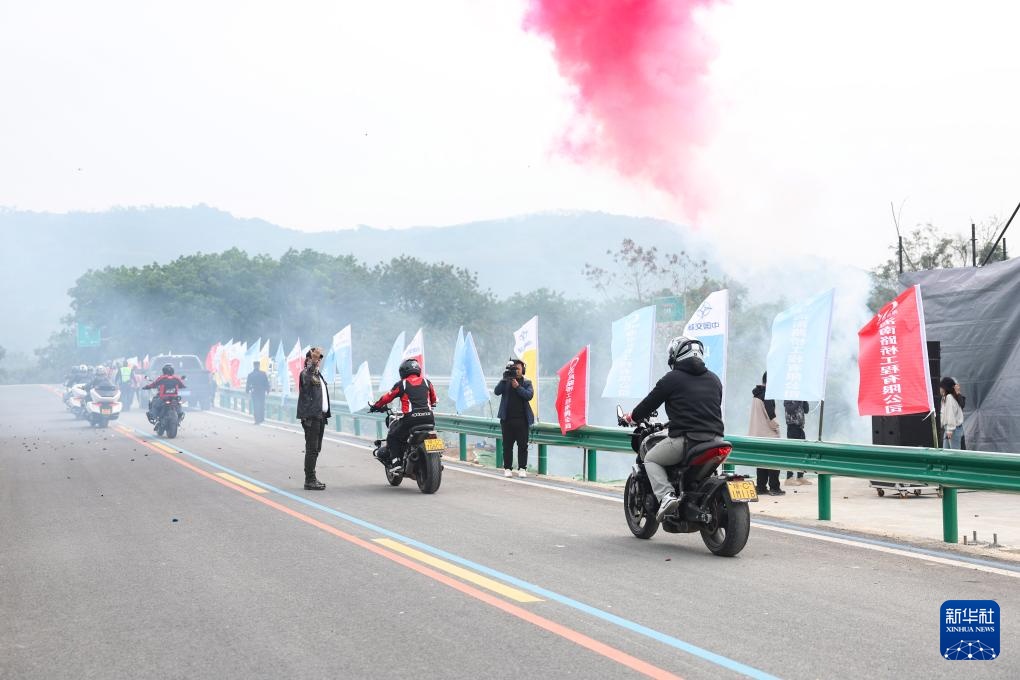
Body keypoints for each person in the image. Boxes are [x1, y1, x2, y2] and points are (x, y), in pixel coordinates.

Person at [625, 336, 725, 522]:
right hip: (716, 440)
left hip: (687, 440)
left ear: (675, 356)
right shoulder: (714, 379)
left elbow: (648, 404)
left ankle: (666, 496)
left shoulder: (672, 379)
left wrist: (632, 417)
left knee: (651, 459)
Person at [371, 358, 437, 471]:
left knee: (392, 436)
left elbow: (387, 397)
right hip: (429, 419)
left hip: (411, 420)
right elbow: (434, 400)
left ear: (403, 372)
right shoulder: (427, 382)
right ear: (418, 370)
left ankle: (396, 462)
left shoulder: (402, 384)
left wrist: (376, 406)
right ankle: (436, 456)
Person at [296, 347, 331, 490]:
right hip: (311, 417)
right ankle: (309, 480)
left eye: (319, 359)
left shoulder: (318, 375)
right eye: (316, 358)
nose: (319, 361)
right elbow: (308, 376)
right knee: (311, 449)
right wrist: (313, 363)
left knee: (316, 449)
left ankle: (312, 478)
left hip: (320, 416)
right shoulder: (306, 373)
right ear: (309, 360)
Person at [494, 359, 535, 478]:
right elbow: (497, 392)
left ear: (523, 370)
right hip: (507, 420)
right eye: (514, 368)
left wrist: (518, 387)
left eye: (518, 368)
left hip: (522, 420)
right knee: (507, 445)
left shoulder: (527, 382)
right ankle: (507, 468)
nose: (516, 371)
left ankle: (522, 468)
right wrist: (504, 379)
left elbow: (529, 395)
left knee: (523, 445)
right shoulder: (505, 381)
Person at [750, 372, 783, 495]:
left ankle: (761, 487)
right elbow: (771, 416)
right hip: (768, 434)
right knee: (774, 462)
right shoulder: (767, 395)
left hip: (758, 433)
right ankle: (774, 488)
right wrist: (777, 426)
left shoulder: (756, 394)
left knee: (761, 462)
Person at [783, 400, 812, 486]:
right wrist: (799, 402)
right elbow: (790, 410)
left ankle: (800, 476)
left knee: (803, 452)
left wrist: (805, 401)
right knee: (792, 453)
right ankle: (789, 477)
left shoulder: (800, 398)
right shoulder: (788, 398)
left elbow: (806, 410)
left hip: (800, 428)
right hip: (792, 427)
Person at [940, 376, 965, 449]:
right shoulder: (945, 398)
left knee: (955, 454)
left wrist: (950, 429)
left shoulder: (949, 398)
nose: (940, 389)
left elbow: (950, 414)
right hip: (949, 429)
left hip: (953, 430)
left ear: (945, 388)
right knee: (946, 452)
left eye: (941, 387)